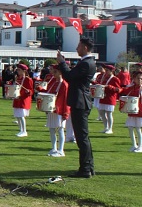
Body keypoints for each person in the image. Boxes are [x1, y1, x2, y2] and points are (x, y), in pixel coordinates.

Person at [57, 37, 97, 178]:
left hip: (80, 102)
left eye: (79, 46)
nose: (77, 48)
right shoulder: (87, 62)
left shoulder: (86, 63)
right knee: (83, 137)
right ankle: (89, 167)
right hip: (81, 101)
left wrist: (62, 63)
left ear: (85, 47)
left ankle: (85, 169)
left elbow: (69, 76)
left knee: (82, 137)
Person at [43, 64, 69, 157]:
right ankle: (54, 148)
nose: (53, 73)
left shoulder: (64, 84)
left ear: (60, 72)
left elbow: (66, 100)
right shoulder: (53, 82)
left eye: (55, 72)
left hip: (59, 110)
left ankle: (61, 150)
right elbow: (48, 93)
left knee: (60, 130)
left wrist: (65, 113)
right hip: (51, 109)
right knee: (51, 129)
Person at [120, 71, 142, 152]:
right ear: (134, 79)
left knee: (138, 128)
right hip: (132, 110)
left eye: (141, 79)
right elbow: (124, 91)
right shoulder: (132, 87)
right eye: (138, 78)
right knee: (130, 127)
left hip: (139, 111)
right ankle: (134, 145)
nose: (140, 80)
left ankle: (140, 146)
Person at [96, 64, 121, 135]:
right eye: (105, 70)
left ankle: (110, 128)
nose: (105, 72)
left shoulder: (115, 79)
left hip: (110, 98)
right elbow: (101, 85)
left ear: (111, 71)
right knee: (101, 113)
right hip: (103, 97)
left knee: (109, 114)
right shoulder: (104, 77)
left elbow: (118, 89)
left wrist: (109, 86)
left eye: (107, 70)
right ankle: (106, 127)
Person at [12, 63, 33, 138]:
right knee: (17, 116)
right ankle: (21, 130)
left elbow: (31, 90)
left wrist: (28, 91)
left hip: (23, 100)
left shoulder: (28, 79)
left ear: (24, 71)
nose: (18, 71)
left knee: (21, 116)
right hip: (17, 99)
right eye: (17, 70)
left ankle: (24, 131)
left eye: (19, 70)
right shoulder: (18, 78)